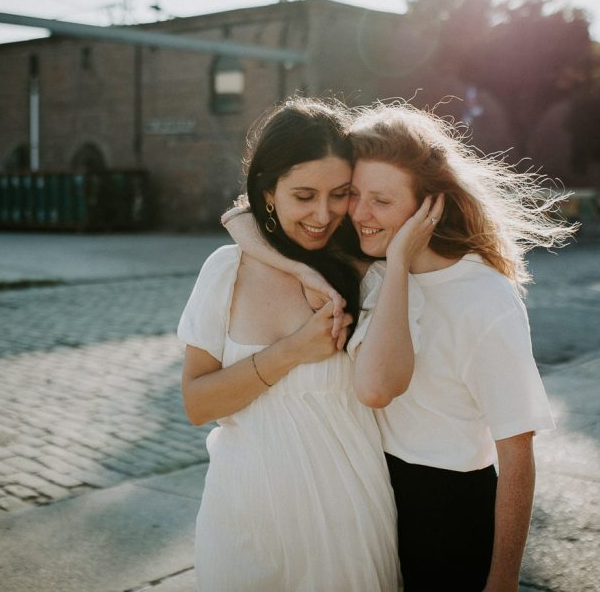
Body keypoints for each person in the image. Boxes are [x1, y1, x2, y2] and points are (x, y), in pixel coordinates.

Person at [224, 100, 575, 591]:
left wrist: (503, 581)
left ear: (429, 204)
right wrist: (301, 268)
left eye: (382, 202)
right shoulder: (373, 267)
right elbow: (241, 217)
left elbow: (517, 452)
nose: (360, 215)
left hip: (448, 508)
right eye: (356, 195)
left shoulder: (483, 298)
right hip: (373, 493)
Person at [177, 98, 402, 591]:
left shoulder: (371, 276)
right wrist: (293, 350)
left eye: (340, 194)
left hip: (346, 514)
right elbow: (197, 403)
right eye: (304, 195)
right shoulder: (225, 270)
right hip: (243, 515)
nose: (324, 214)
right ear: (269, 191)